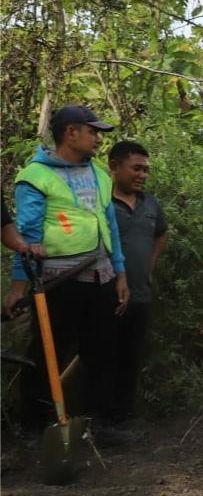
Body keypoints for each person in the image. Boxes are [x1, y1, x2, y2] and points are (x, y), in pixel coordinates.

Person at [4, 105, 129, 437]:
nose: (98, 140)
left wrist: (120, 273)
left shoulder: (100, 175)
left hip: (101, 276)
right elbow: (27, 237)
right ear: (71, 133)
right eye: (93, 132)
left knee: (101, 352)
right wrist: (18, 287)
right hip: (58, 281)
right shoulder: (35, 177)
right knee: (47, 353)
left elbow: (111, 227)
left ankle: (99, 425)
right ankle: (34, 427)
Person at [109, 141, 167, 425]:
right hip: (107, 295)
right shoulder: (102, 203)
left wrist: (149, 267)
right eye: (136, 168)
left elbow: (161, 234)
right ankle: (98, 418)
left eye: (146, 169)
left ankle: (122, 417)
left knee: (131, 358)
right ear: (114, 168)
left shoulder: (151, 203)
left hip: (141, 294)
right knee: (102, 356)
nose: (142, 175)